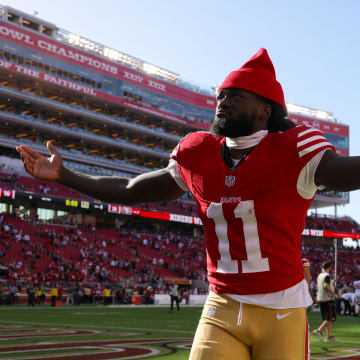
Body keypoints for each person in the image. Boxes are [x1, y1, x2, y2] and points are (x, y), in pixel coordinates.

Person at [15, 47, 360, 359]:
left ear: (264, 111)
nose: (222, 103)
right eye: (221, 96)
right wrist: (65, 176)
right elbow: (130, 188)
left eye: (235, 97)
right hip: (221, 306)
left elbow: (348, 171)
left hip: (281, 309)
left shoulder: (294, 150)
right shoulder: (198, 154)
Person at [313, 262, 339, 342]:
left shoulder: (320, 275)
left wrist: (332, 282)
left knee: (327, 318)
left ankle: (329, 336)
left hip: (321, 299)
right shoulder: (327, 276)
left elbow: (325, 283)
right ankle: (319, 331)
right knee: (331, 318)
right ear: (329, 268)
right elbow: (326, 286)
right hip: (327, 299)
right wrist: (334, 294)